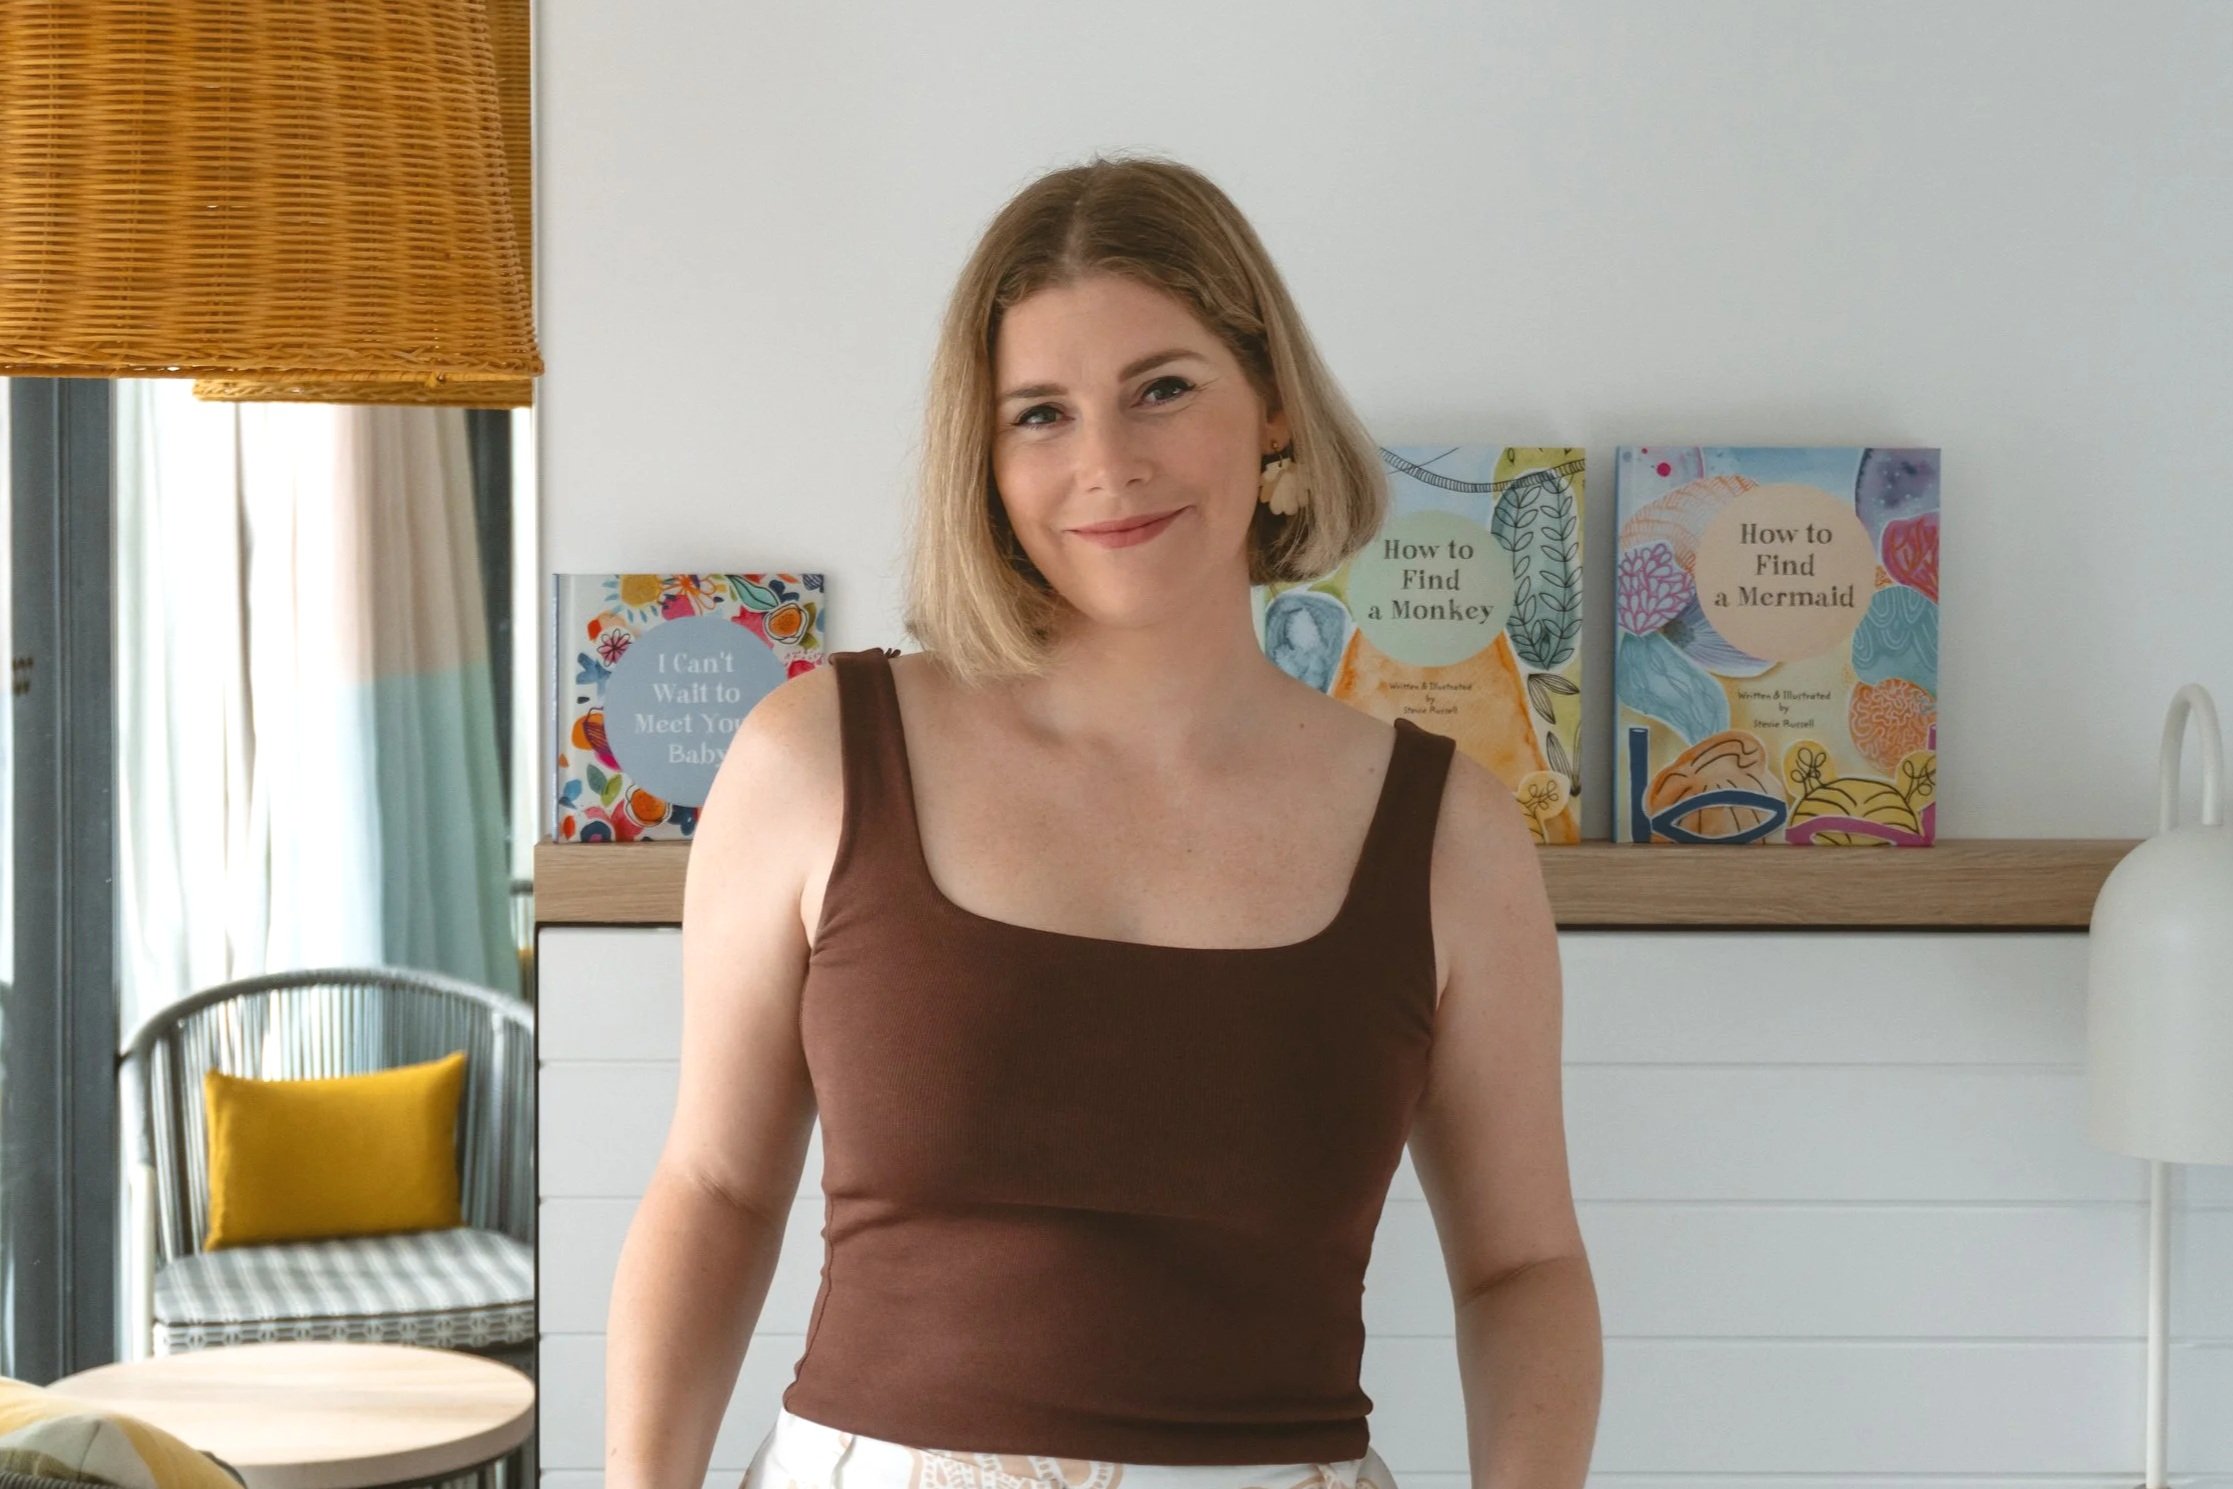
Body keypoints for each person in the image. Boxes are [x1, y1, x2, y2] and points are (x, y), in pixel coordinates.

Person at [605, 150, 1602, 1489]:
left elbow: (1522, 1262)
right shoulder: (814, 759)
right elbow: (716, 1191)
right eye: (1039, 414)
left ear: (1271, 411)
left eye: (1162, 389)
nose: (1107, 464)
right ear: (986, 456)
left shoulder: (1450, 833)